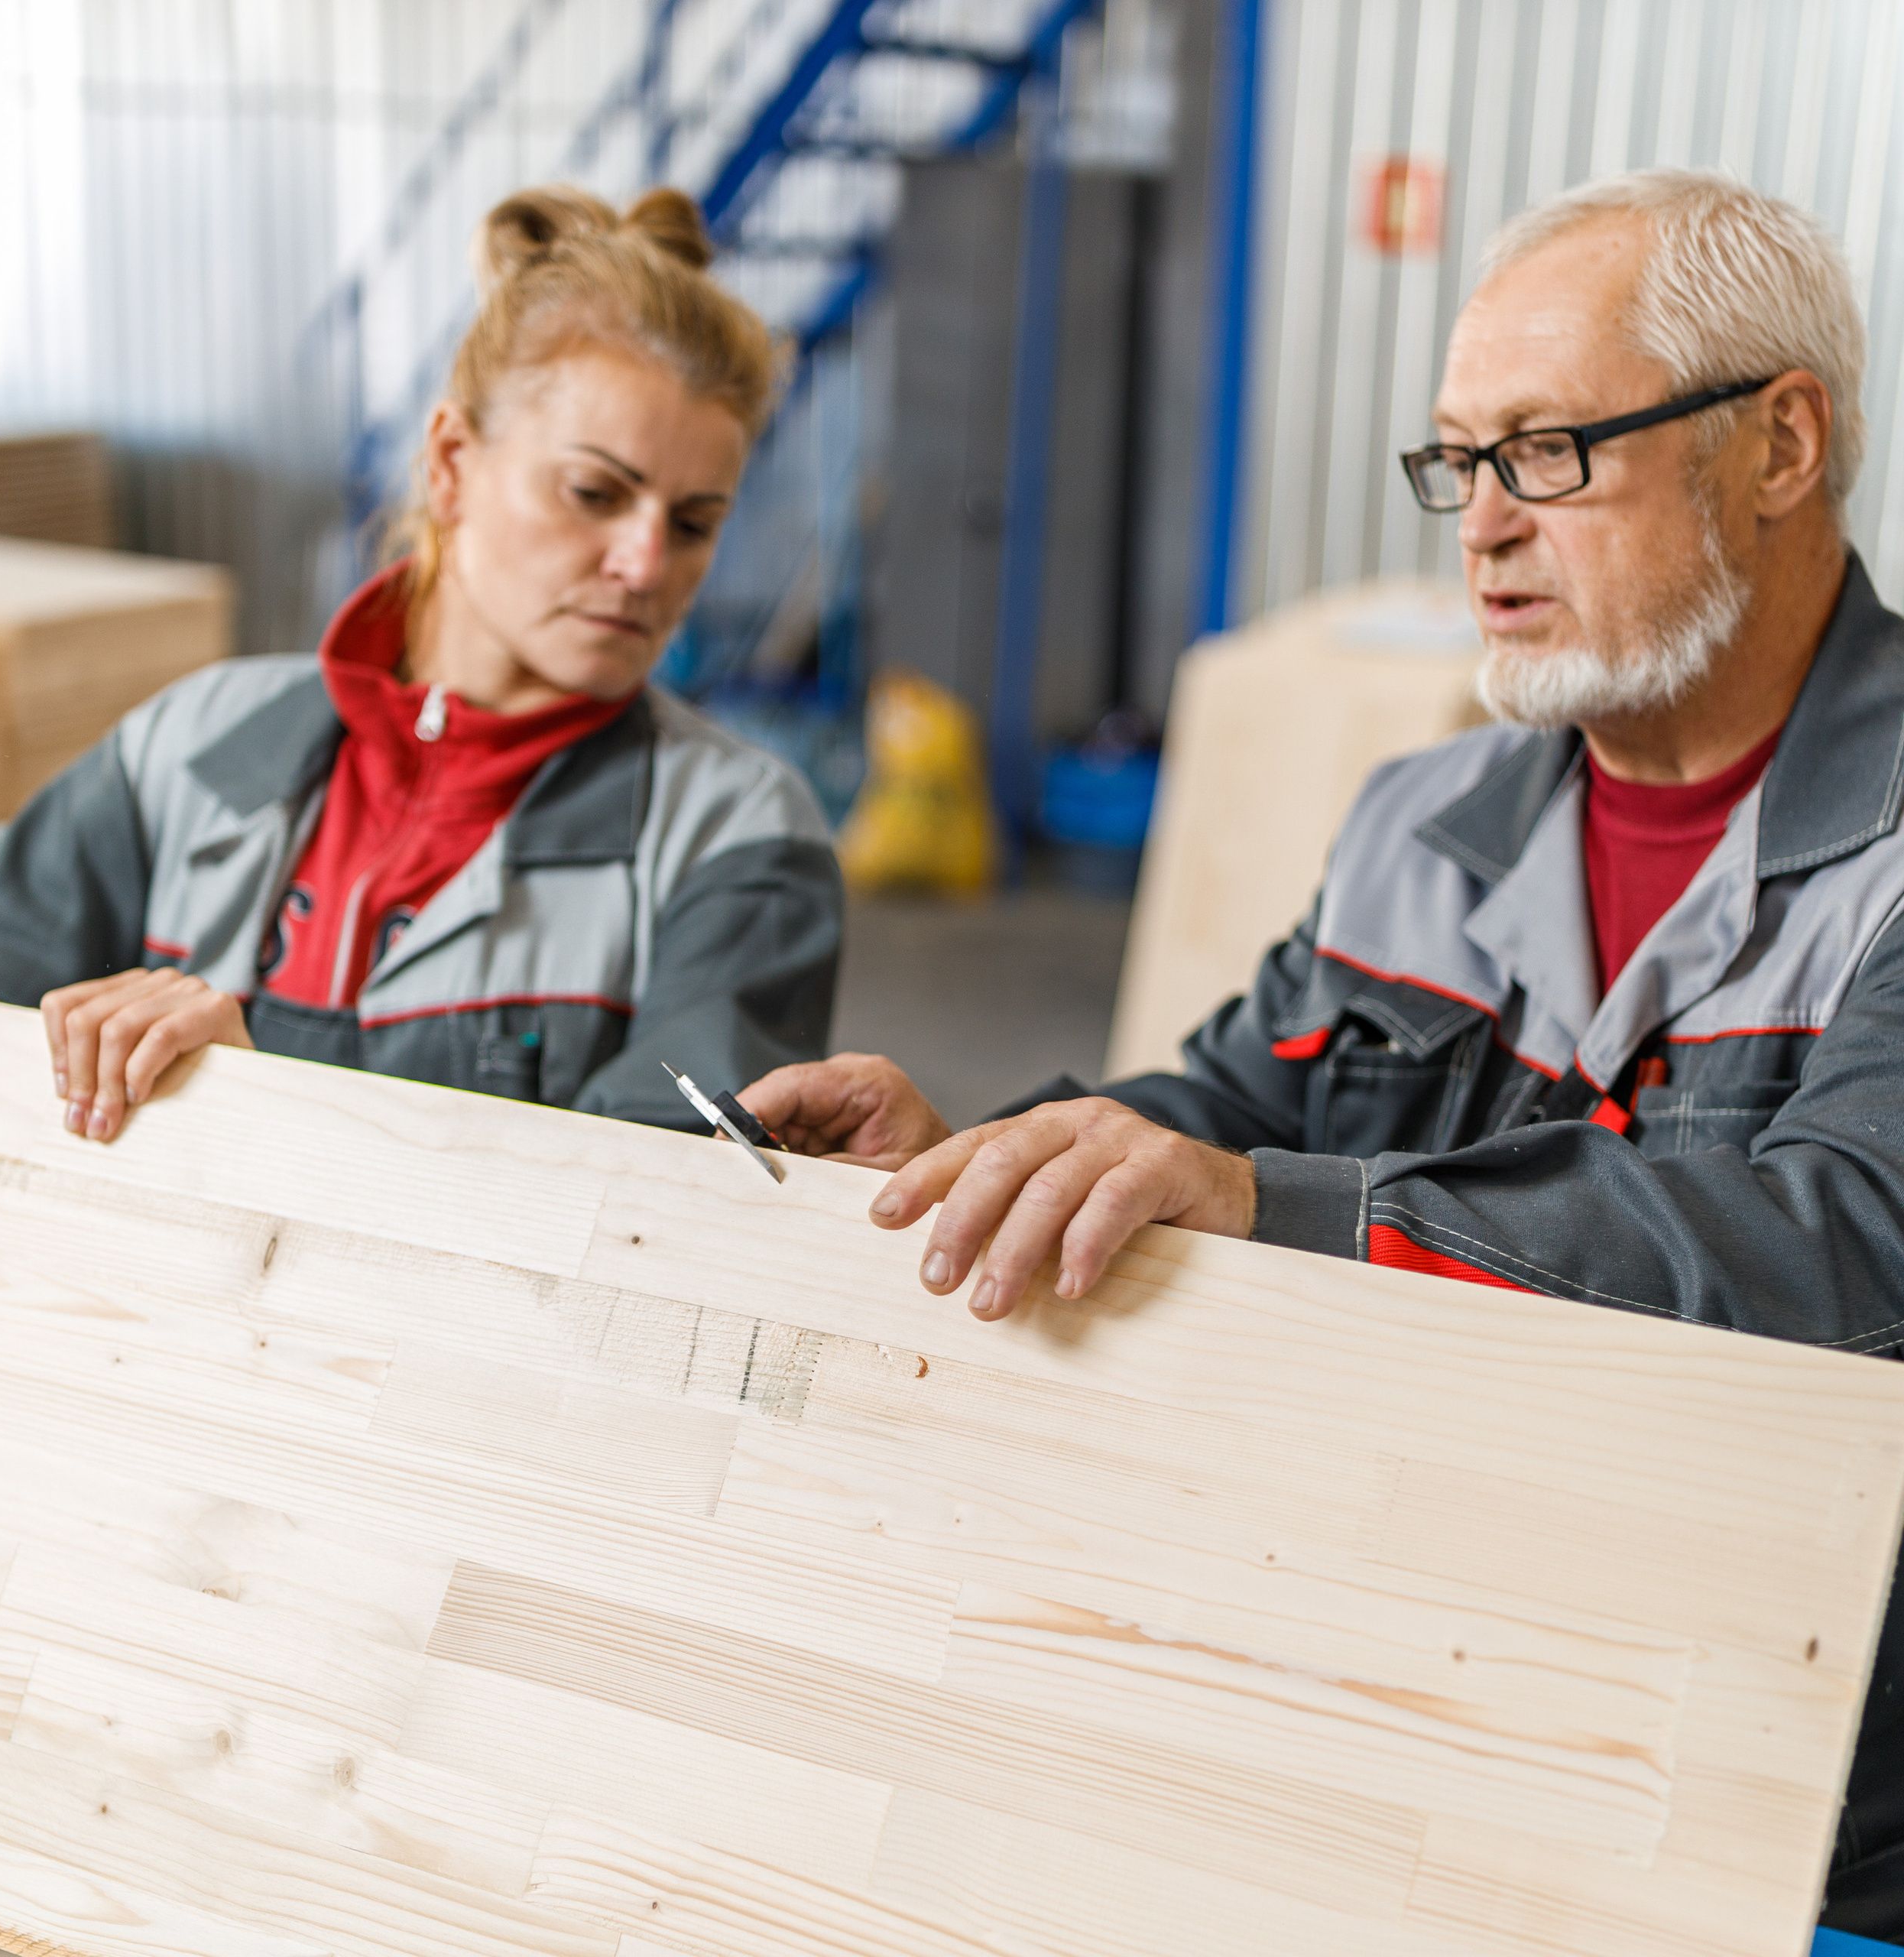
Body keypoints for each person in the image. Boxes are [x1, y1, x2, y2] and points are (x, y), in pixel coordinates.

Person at [741, 170, 1904, 1936]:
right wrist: (985, 1157)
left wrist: (1289, 1208)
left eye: (1544, 450)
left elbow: (1838, 1250)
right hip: (1419, 1725)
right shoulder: (1421, 822)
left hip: (1798, 1821)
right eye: (1456, 459)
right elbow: (1220, 1108)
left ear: (1776, 442)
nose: (1482, 527)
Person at [0, 183, 841, 1142]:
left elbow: (646, 1236)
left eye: (695, 522)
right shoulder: (193, 743)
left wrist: (252, 1118)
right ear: (452, 462)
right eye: (594, 492)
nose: (645, 564)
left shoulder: (738, 838)